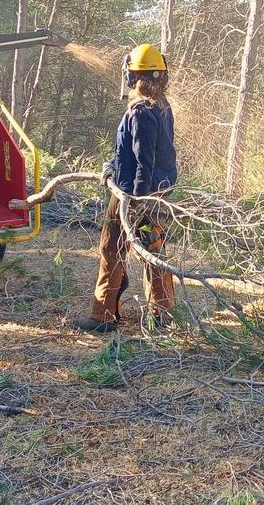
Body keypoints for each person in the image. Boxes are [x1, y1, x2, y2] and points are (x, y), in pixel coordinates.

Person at [74, 44, 178, 333]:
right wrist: (112, 164)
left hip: (133, 194)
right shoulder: (162, 108)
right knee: (154, 250)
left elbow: (144, 160)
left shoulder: (140, 111)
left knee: (111, 247)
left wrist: (135, 201)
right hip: (156, 193)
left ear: (132, 77)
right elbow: (133, 153)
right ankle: (162, 313)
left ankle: (103, 314)